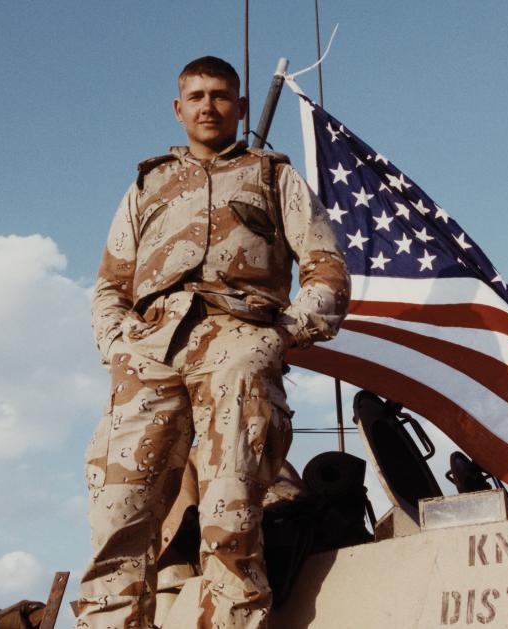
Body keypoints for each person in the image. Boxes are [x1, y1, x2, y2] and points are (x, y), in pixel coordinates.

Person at [73, 56, 350, 628]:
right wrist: (118, 344)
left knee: (231, 518)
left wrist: (282, 335)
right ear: (179, 110)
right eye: (196, 96)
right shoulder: (147, 185)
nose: (208, 105)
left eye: (221, 96)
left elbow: (326, 271)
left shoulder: (274, 176)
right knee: (117, 520)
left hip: (239, 346)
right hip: (149, 353)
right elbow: (109, 284)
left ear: (240, 107)